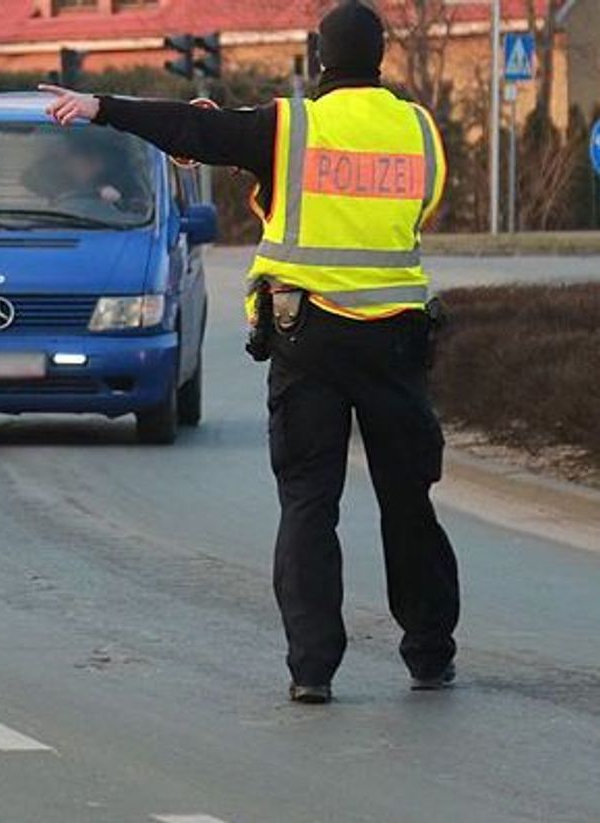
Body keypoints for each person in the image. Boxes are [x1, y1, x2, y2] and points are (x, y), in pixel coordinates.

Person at [41, 0, 459, 705]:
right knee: (407, 500)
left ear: (320, 57)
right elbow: (416, 211)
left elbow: (195, 128)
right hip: (395, 339)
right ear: (381, 57)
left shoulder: (291, 127)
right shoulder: (418, 131)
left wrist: (99, 106)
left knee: (308, 502)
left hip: (311, 339)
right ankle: (429, 653)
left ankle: (313, 668)